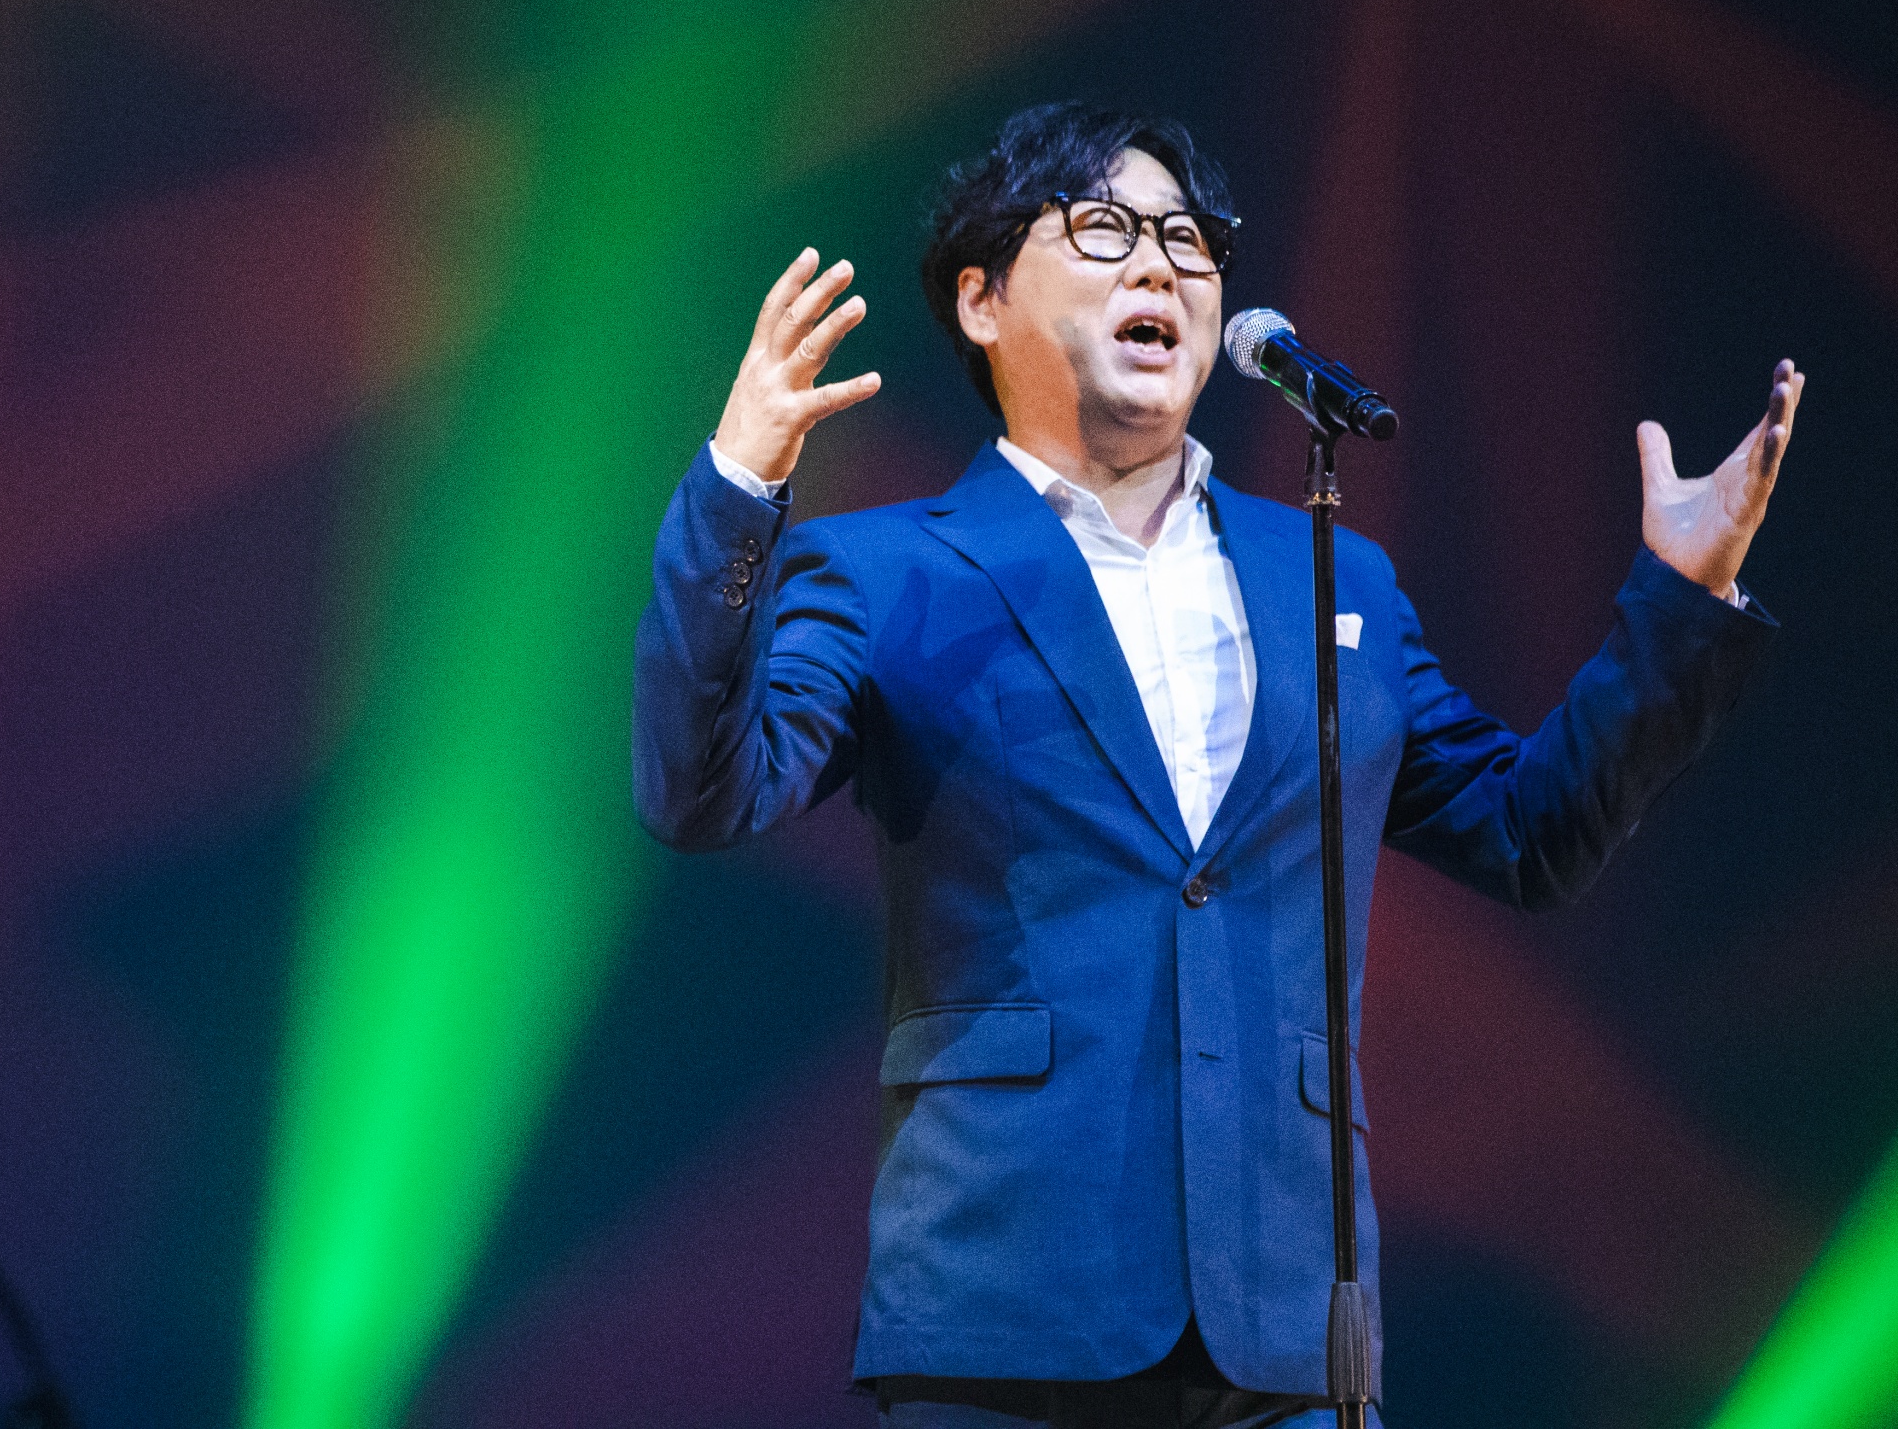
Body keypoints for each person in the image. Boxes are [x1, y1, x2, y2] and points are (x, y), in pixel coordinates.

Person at [632, 103, 1800, 1428]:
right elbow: (704, 790)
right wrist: (737, 486)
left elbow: (1530, 832)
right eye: (1106, 228)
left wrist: (1679, 599)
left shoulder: (1332, 576)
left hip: (1284, 1327)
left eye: (1190, 239)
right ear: (981, 298)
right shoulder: (887, 568)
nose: (1161, 264)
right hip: (1006, 1321)